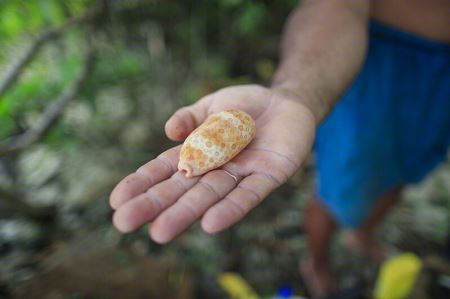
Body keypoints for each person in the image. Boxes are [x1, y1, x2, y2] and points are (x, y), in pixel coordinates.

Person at [110, 0, 450, 297]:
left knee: (406, 168)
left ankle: (361, 233)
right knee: (343, 183)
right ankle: (316, 262)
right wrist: (295, 93)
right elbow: (333, 5)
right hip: (376, 60)